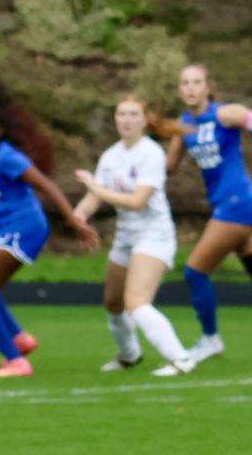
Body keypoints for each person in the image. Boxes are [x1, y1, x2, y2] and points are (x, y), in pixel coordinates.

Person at [0, 83, 98, 378]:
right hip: (9, 227)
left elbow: (47, 186)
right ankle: (20, 340)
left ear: (1, 130)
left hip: (25, 229)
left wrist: (73, 221)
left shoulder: (9, 157)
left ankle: (16, 361)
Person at [72, 94, 194, 376]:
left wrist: (95, 187)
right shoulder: (111, 156)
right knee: (113, 303)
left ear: (144, 120)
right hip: (127, 237)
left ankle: (181, 359)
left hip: (155, 235)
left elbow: (137, 201)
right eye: (121, 114)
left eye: (132, 114)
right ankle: (129, 355)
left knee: (137, 304)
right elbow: (94, 196)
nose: (125, 120)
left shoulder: (151, 154)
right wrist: (78, 216)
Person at [162, 63, 252, 364]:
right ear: (179, 90)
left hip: (236, 202)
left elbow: (246, 118)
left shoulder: (224, 114)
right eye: (185, 82)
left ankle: (211, 339)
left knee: (195, 271)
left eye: (196, 82)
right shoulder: (183, 125)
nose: (190, 88)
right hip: (229, 204)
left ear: (207, 87)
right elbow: (168, 168)